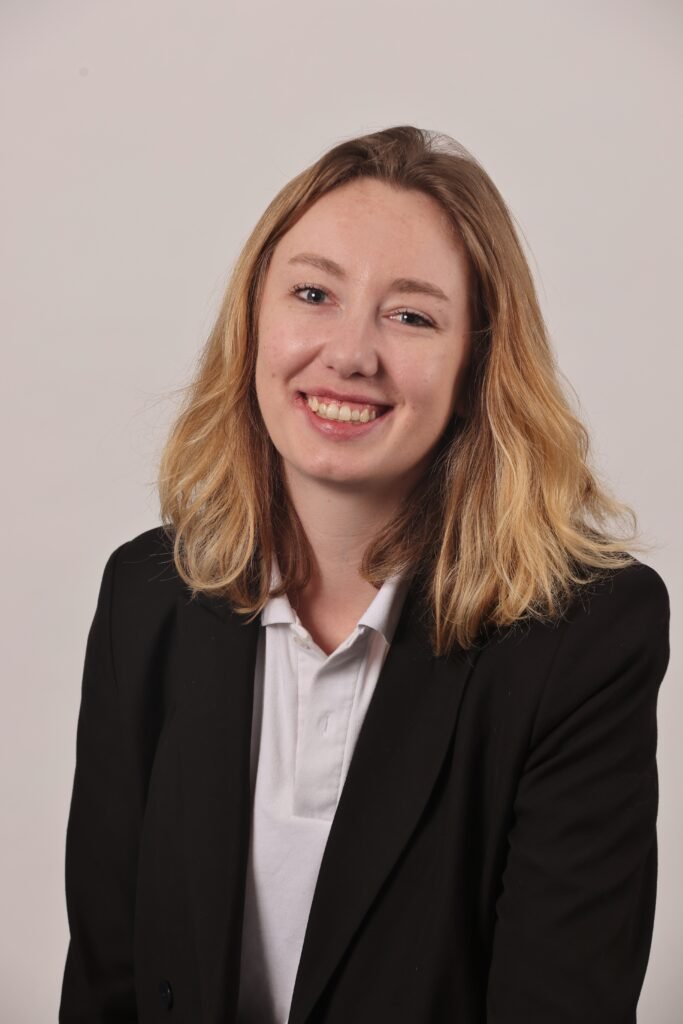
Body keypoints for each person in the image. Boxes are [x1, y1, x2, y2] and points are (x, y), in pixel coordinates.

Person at [59, 126, 670, 1024]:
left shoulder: (584, 635)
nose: (349, 354)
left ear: (476, 364)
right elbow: (107, 982)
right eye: (313, 294)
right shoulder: (146, 596)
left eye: (411, 315)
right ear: (252, 322)